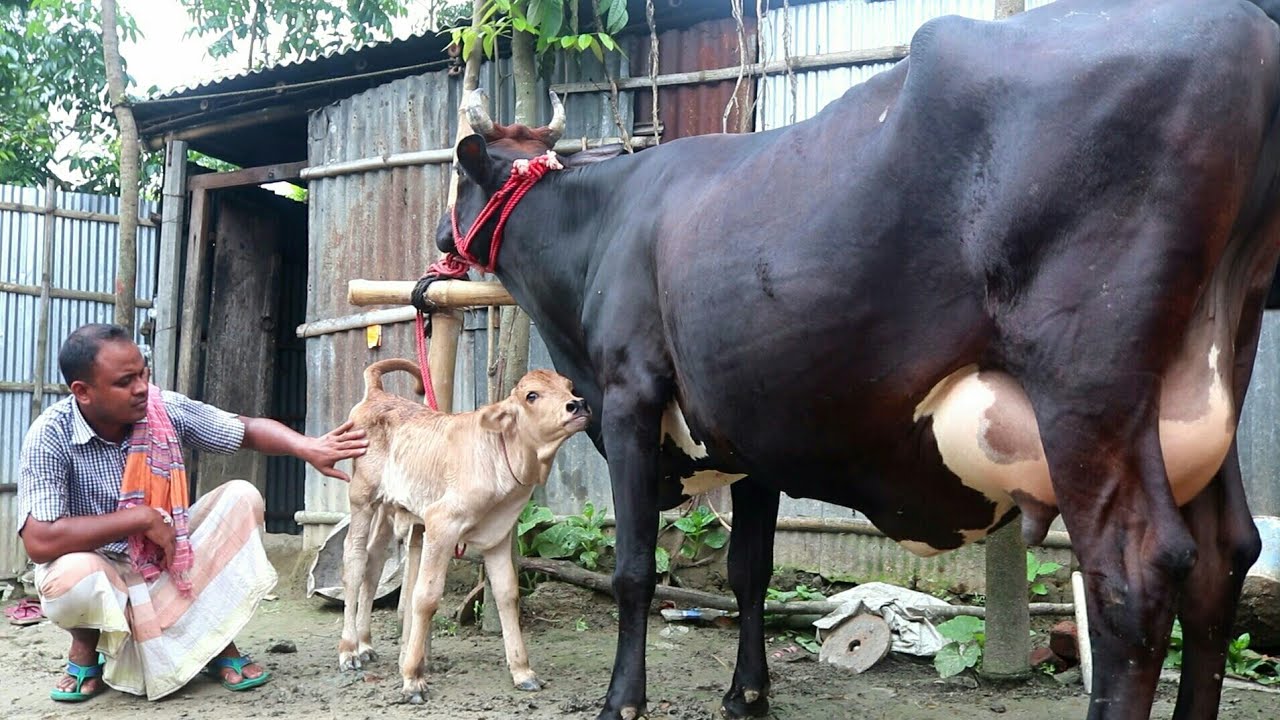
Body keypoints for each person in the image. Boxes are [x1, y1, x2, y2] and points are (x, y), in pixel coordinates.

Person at [15, 323, 368, 702]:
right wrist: (142, 518)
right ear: (82, 392)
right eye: (125, 381)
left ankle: (214, 640)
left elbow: (244, 430)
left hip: (164, 558)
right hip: (102, 568)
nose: (141, 388)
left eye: (143, 374)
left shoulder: (160, 408)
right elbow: (39, 540)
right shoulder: (51, 433)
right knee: (71, 577)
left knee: (241, 496)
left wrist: (308, 447)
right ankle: (85, 647)